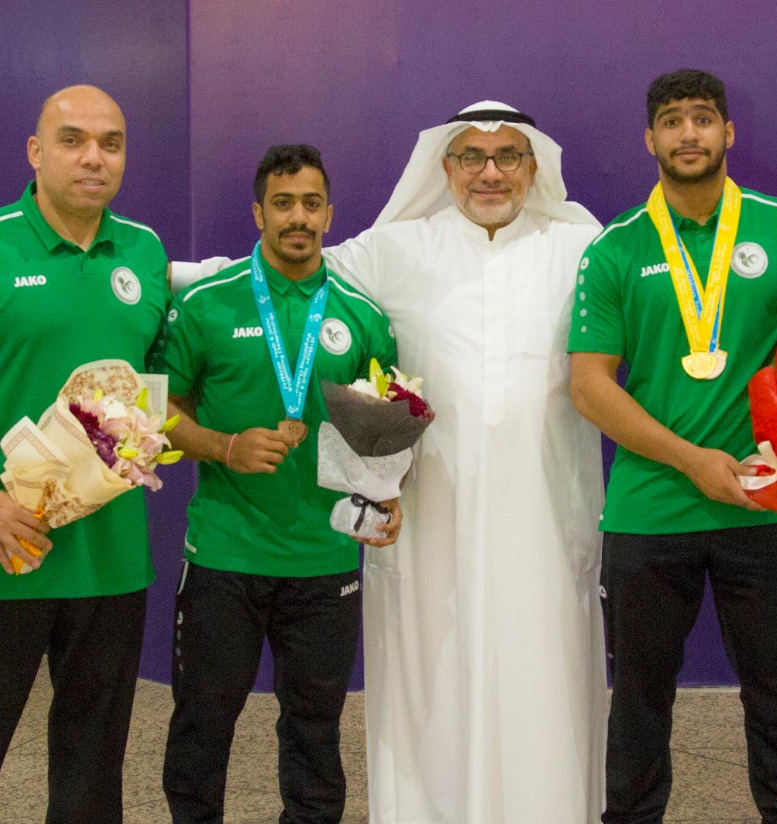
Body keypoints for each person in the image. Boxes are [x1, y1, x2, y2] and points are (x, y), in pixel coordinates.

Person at [173, 101, 609, 823]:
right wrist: (150, 272)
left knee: (542, 679)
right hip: (430, 524)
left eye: (508, 157)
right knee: (432, 681)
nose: (490, 172)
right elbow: (289, 265)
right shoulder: (399, 247)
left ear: (536, 167)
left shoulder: (582, 245)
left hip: (543, 521)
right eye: (472, 156)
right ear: (445, 167)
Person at [569, 69, 777, 824]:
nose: (688, 133)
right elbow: (590, 387)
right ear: (650, 140)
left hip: (765, 505)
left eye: (703, 119)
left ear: (728, 132)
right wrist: (692, 461)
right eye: (672, 120)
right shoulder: (614, 250)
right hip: (649, 512)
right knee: (637, 710)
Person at [0, 85, 168, 824]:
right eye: (74, 139)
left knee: (92, 775)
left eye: (111, 143)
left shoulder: (144, 252)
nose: (94, 157)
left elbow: (155, 391)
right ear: (36, 152)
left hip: (109, 563)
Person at [157, 144, 399, 824]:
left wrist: (386, 493)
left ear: (329, 213)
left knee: (315, 731)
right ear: (259, 211)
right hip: (224, 556)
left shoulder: (362, 314)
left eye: (312, 203)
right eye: (284, 203)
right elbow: (156, 411)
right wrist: (223, 446)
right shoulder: (207, 302)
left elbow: (384, 425)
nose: (299, 217)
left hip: (324, 560)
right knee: (203, 725)